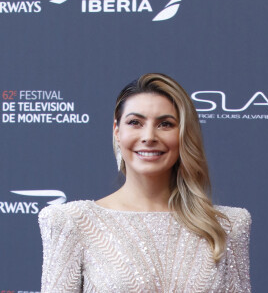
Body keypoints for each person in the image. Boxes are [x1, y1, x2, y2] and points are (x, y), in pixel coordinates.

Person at [38, 73, 252, 292]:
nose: (149, 136)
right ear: (117, 131)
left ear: (183, 134)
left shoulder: (228, 225)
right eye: (135, 122)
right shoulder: (70, 222)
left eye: (165, 124)